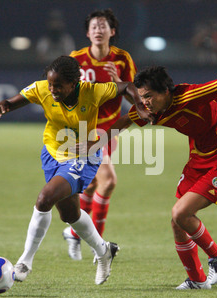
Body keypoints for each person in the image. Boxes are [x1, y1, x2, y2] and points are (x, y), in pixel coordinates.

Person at [82, 66, 217, 289]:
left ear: (165, 91)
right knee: (178, 222)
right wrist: (93, 146)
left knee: (180, 212)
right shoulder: (151, 110)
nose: (145, 102)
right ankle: (197, 281)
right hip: (198, 159)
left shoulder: (189, 96)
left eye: (149, 96)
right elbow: (122, 123)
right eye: (141, 97)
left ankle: (216, 255)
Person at [0, 55, 145, 285]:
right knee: (70, 215)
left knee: (44, 199)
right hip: (52, 153)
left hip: (82, 155)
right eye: (51, 84)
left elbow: (126, 87)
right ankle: (104, 251)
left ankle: (25, 261)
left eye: (58, 85)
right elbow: (19, 99)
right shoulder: (43, 88)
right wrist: (6, 104)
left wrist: (140, 105)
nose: (52, 89)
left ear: (74, 83)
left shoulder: (92, 91)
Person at [63, 9, 137, 261]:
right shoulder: (76, 59)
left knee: (93, 184)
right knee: (108, 181)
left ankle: (74, 233)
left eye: (103, 26)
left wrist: (121, 84)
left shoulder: (122, 59)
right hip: (85, 129)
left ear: (112, 32)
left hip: (110, 130)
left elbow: (134, 97)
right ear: (87, 33)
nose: (98, 30)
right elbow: (62, 93)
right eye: (94, 26)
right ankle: (100, 248)